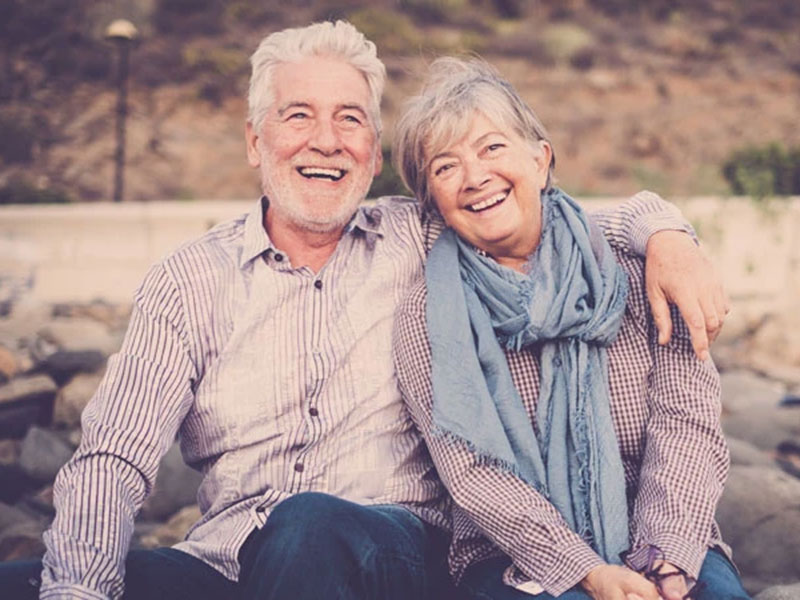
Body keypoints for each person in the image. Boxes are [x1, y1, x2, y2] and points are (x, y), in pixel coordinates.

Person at [0, 21, 726, 600]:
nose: (326, 140)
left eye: (350, 119)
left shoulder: (419, 235)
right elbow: (114, 456)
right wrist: (79, 591)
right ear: (256, 141)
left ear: (373, 153)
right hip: (227, 561)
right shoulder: (188, 280)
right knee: (31, 584)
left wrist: (664, 231)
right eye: (298, 117)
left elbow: (537, 212)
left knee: (308, 526)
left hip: (395, 553)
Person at [392, 57, 749, 600]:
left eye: (492, 148)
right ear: (433, 201)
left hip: (662, 534)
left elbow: (688, 426)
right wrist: (586, 570)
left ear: (540, 160)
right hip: (511, 554)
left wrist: (664, 560)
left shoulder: (638, 263)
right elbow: (472, 473)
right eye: (445, 167)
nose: (475, 177)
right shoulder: (428, 313)